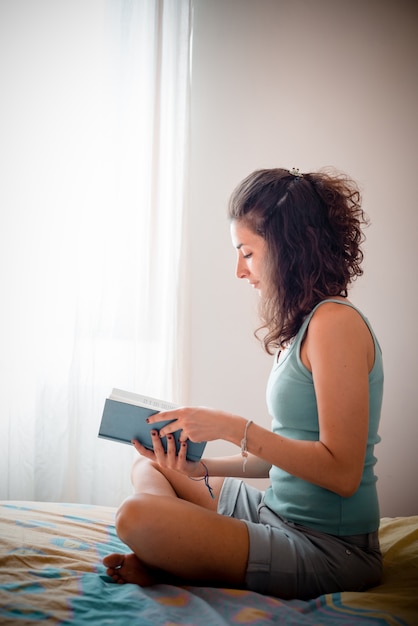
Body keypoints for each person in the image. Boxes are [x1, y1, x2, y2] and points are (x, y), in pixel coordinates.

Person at [103, 167, 383, 600]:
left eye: (247, 252)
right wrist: (201, 468)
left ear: (290, 250)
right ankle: (176, 552)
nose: (239, 270)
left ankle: (171, 555)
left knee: (135, 517)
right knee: (151, 465)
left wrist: (232, 427)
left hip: (330, 548)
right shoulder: (310, 325)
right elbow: (287, 457)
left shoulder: (336, 324)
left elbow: (341, 474)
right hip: (277, 513)